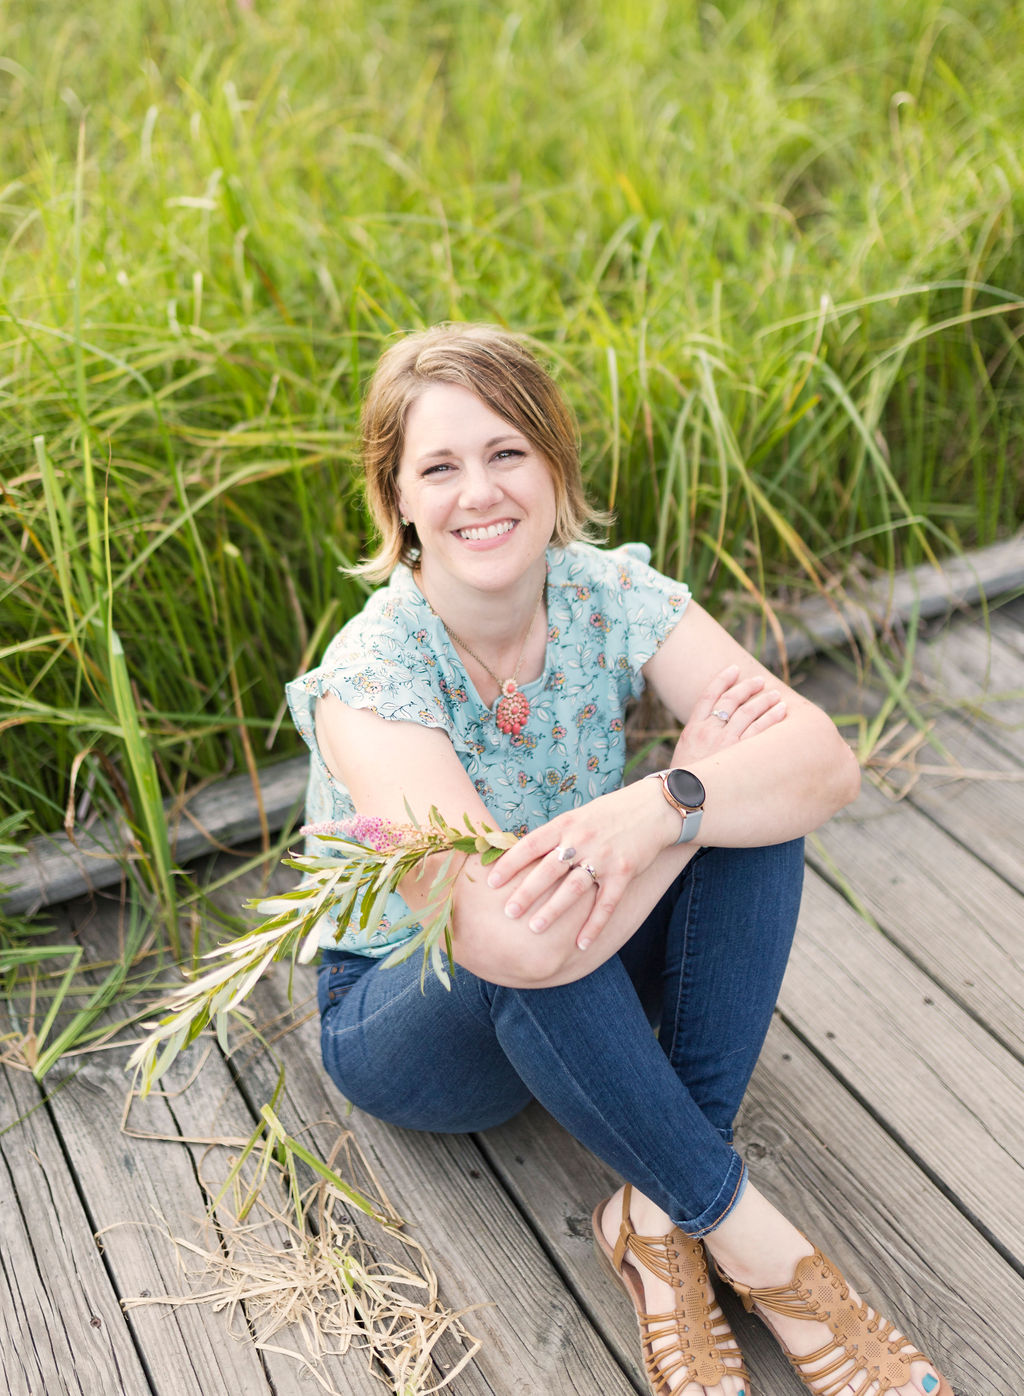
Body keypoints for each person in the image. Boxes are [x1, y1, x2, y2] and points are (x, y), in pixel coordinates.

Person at [285, 323, 951, 1396]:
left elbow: (820, 764)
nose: (479, 492)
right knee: (534, 937)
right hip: (412, 1013)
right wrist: (670, 818)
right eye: (439, 467)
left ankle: (645, 1216)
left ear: (553, 465)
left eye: (506, 452)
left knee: (744, 818)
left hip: (566, 942)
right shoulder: (375, 676)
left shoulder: (603, 593)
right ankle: (752, 1239)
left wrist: (664, 802)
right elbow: (497, 933)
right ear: (397, 500)